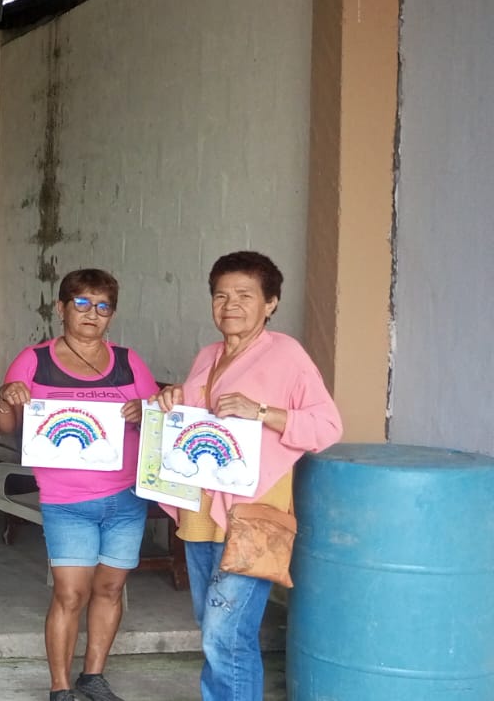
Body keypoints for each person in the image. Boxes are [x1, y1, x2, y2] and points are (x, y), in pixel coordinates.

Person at [156, 251, 341, 701]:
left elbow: (327, 426)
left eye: (244, 295)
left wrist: (260, 411)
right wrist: (174, 397)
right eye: (221, 296)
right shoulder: (208, 354)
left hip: (253, 516)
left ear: (270, 302)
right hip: (201, 512)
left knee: (226, 634)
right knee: (213, 627)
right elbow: (199, 419)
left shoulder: (286, 354)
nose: (230, 305)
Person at [0, 270, 160, 701]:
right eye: (82, 303)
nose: (92, 313)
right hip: (66, 501)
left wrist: (145, 411)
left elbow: (157, 419)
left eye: (103, 306)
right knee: (70, 594)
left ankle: (93, 676)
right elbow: (6, 427)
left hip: (126, 497)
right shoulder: (34, 360)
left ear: (112, 314)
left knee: (110, 589)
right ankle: (60, 686)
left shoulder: (128, 361)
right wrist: (6, 397)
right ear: (61, 308)